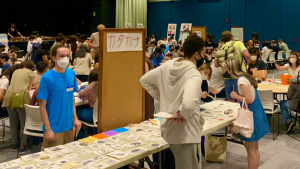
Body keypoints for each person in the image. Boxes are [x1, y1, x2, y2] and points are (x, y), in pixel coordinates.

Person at [141, 33, 207, 169]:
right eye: (203, 54)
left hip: (168, 130)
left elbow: (144, 80)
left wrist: (163, 99)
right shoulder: (194, 74)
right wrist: (183, 113)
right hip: (187, 133)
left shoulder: (167, 66)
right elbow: (188, 105)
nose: (205, 58)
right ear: (196, 54)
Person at [225, 58, 269, 169]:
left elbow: (248, 100)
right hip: (257, 114)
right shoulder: (246, 77)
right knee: (254, 149)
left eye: (227, 69)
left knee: (251, 150)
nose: (226, 71)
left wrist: (235, 96)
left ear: (231, 69)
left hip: (252, 116)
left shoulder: (241, 81)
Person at [37, 45, 81, 150]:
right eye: (62, 56)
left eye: (67, 55)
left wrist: (75, 118)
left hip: (69, 126)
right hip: (54, 127)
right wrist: (48, 129)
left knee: (68, 156)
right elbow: (42, 106)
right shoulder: (47, 78)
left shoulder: (71, 73)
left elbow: (71, 98)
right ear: (54, 58)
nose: (65, 58)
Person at [2, 60, 35, 154]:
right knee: (23, 123)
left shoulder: (15, 71)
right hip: (20, 97)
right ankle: (23, 146)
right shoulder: (31, 73)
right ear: (32, 68)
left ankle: (14, 145)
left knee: (13, 123)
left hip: (9, 97)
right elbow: (29, 88)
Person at [215, 31, 250, 102]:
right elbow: (247, 55)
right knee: (241, 100)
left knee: (230, 101)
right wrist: (248, 62)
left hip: (227, 77)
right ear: (231, 37)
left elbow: (216, 64)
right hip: (239, 76)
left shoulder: (221, 48)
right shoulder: (238, 43)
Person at [76, 70, 98, 138]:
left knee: (74, 111)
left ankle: (80, 136)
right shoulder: (104, 84)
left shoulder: (92, 85)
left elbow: (80, 95)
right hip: (102, 114)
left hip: (92, 114)